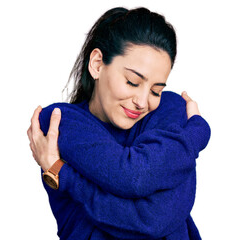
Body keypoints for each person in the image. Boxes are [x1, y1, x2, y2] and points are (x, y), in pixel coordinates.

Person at [27, 7, 211, 240]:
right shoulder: (59, 122)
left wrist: (63, 175)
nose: (142, 102)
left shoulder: (169, 108)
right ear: (97, 64)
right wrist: (195, 134)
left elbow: (154, 217)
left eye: (156, 90)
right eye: (132, 82)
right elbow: (133, 177)